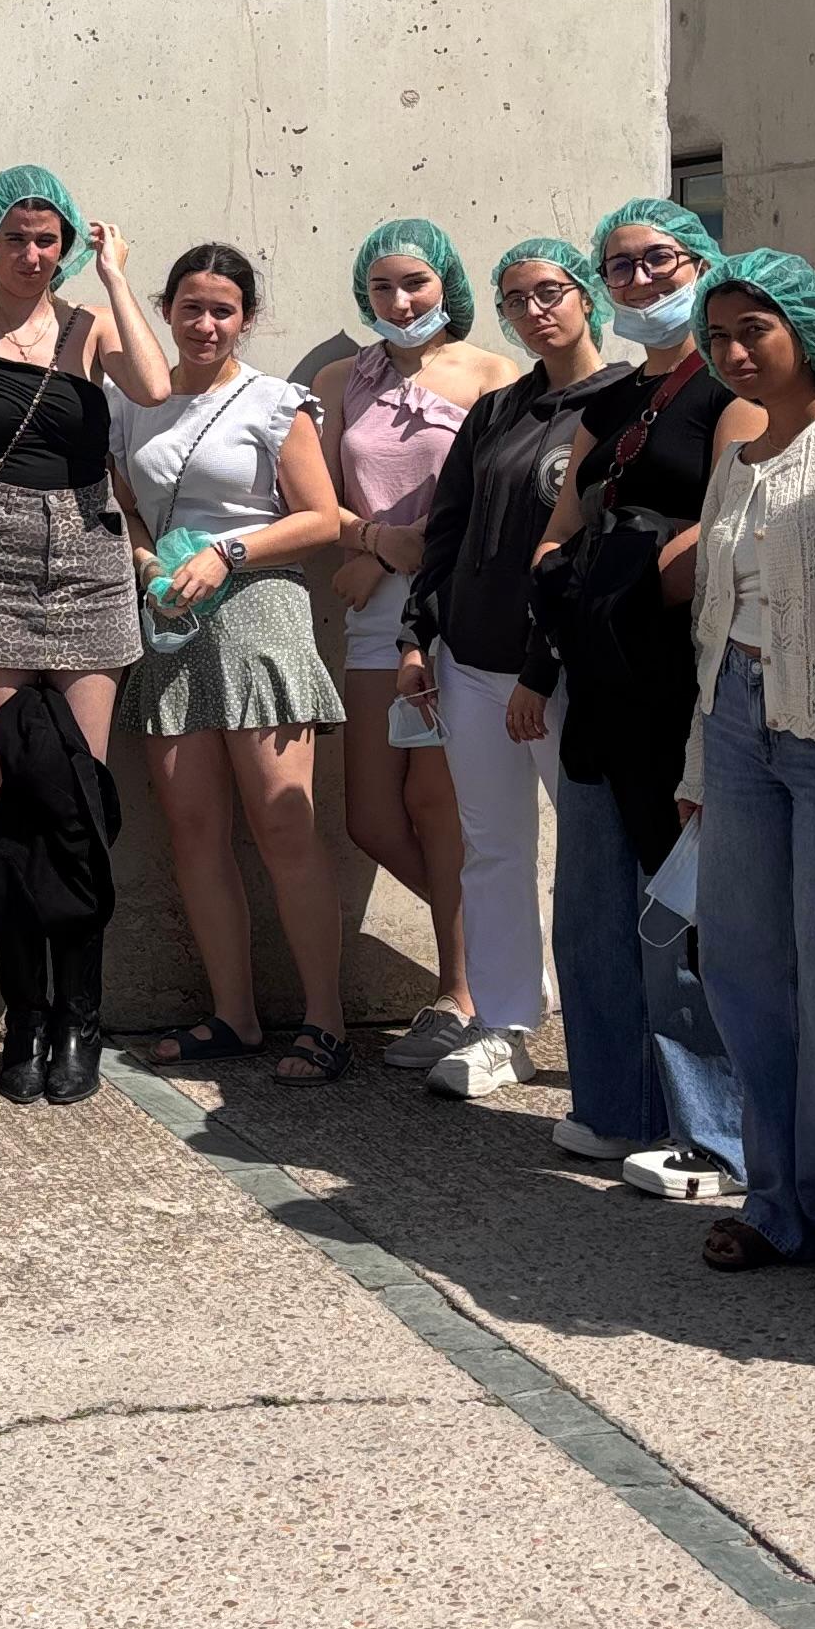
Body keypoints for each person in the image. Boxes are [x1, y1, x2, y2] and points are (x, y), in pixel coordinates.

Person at [526, 198, 745, 1200]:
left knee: (680, 906)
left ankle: (717, 1133)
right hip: (598, 674)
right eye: (619, 266)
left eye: (660, 259)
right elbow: (563, 517)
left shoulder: (730, 386)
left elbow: (733, 515)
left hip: (678, 674)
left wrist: (634, 583)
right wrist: (562, 579)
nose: (641, 279)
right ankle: (618, 1106)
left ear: (701, 262)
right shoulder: (612, 402)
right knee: (593, 905)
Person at [675, 250, 815, 1292]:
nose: (734, 352)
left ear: (805, 325)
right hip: (733, 726)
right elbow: (714, 614)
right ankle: (775, 1200)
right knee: (740, 963)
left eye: (754, 329)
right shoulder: (738, 450)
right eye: (717, 337)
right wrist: (697, 763)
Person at [115, 246, 353, 1077]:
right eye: (190, 306)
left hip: (260, 614)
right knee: (193, 830)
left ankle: (325, 1020)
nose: (205, 323)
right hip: (172, 619)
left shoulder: (275, 401)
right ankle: (234, 1015)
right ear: (166, 310)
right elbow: (126, 510)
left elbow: (321, 518)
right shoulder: (132, 406)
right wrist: (148, 564)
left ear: (246, 318)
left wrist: (228, 552)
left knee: (284, 823)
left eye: (223, 309)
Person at [393, 239, 617, 1101]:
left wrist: (541, 665)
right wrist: (418, 639)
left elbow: (595, 555)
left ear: (585, 294)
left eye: (549, 292)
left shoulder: (623, 403)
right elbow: (445, 532)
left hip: (560, 676)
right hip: (470, 665)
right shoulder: (497, 411)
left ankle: (615, 1044)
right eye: (515, 299)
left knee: (597, 858)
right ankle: (505, 1025)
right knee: (491, 851)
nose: (534, 311)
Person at [0, 165, 169, 800]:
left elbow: (153, 386)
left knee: (85, 777)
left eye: (46, 240)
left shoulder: (91, 324)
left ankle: (83, 873)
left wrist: (115, 278)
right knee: (7, 780)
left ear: (66, 246)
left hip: (90, 557)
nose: (31, 257)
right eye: (15, 239)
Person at [327, 220, 509, 1072]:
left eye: (416, 284)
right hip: (371, 613)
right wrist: (372, 544)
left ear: (448, 285)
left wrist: (402, 556)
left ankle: (462, 993)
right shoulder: (339, 380)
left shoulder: (493, 375)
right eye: (382, 287)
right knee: (371, 817)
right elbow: (317, 500)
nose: (399, 302)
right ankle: (505, 948)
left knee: (440, 808)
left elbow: (495, 501)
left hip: (452, 606)